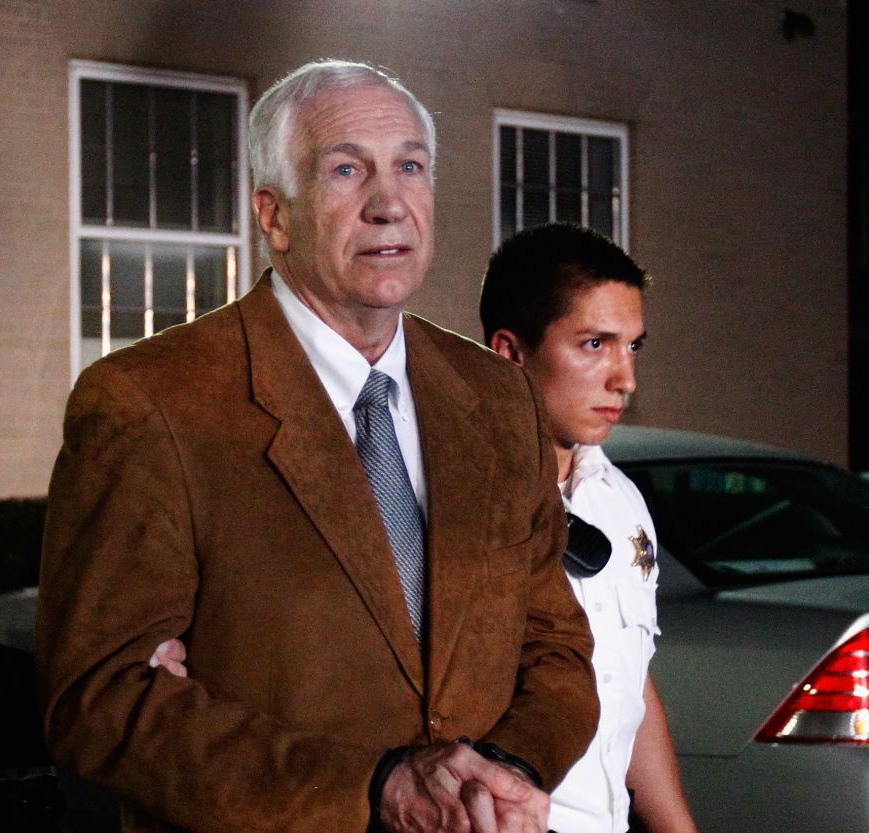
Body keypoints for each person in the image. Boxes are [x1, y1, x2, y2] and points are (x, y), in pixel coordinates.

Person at [35, 59, 598, 833]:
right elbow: (98, 699)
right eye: (346, 170)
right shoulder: (151, 403)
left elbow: (557, 648)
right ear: (273, 216)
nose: (389, 204)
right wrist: (375, 790)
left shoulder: (500, 401)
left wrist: (499, 775)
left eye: (410, 166)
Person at [480, 223, 698, 833]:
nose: (624, 379)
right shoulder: (457, 505)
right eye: (595, 344)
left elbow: (628, 677)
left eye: (634, 347)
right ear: (510, 353)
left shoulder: (620, 500)